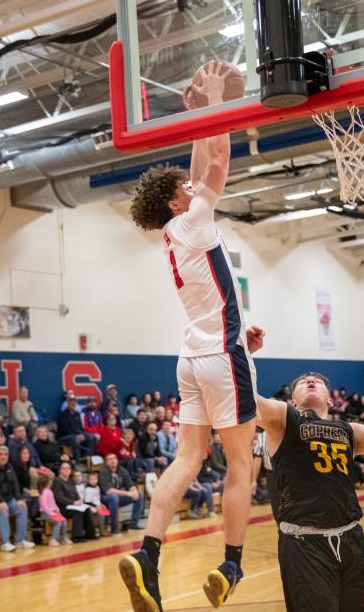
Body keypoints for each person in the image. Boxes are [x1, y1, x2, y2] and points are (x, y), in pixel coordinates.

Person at [122, 88, 262, 609]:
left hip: (192, 356)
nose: (192, 182)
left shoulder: (174, 232)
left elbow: (200, 166)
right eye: (184, 186)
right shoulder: (195, 221)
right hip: (223, 357)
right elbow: (218, 161)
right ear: (174, 201)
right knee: (240, 466)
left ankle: (147, 557)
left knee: (186, 459)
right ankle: (231, 564)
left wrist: (197, 112)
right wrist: (221, 103)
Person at [242, 341, 364, 612]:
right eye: (303, 381)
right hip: (305, 544)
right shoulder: (283, 419)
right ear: (292, 400)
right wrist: (244, 353)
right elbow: (244, 398)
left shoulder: (348, 430)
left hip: (352, 539)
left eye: (316, 379)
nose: (311, 380)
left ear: (330, 399)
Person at [0, 446, 34, 552]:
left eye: (5, 455)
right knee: (3, 510)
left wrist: (19, 498)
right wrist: (0, 501)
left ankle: (20, 540)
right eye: (0, 454)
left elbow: (15, 483)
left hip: (7, 496)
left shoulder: (9, 466)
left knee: (23, 507)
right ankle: (5, 542)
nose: (3, 457)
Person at [99, 453, 144, 534]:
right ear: (106, 462)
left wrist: (134, 491)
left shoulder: (121, 470)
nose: (112, 460)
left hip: (117, 497)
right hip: (104, 498)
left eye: (114, 458)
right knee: (114, 497)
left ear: (117, 460)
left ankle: (134, 524)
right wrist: (128, 493)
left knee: (139, 495)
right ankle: (114, 527)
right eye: (110, 459)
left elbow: (130, 484)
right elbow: (108, 491)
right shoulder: (103, 471)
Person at [53, 461, 95, 542]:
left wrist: (79, 500)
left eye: (68, 468)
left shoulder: (71, 481)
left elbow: (75, 494)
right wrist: (74, 502)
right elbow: (59, 498)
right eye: (64, 468)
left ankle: (90, 534)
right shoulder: (57, 481)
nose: (66, 470)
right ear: (60, 470)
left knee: (86, 509)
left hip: (73, 505)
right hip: (62, 507)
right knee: (78, 511)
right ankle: (77, 536)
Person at [57, 394, 97, 462]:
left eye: (74, 401)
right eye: (70, 401)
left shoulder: (77, 414)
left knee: (92, 437)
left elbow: (80, 428)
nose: (72, 403)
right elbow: (64, 430)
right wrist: (77, 435)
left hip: (75, 435)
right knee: (75, 439)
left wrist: (84, 434)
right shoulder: (62, 414)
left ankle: (86, 459)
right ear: (67, 402)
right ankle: (77, 461)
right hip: (64, 437)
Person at [36, 474, 68, 546]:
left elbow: (53, 503)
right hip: (45, 513)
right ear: (46, 482)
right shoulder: (43, 493)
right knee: (58, 522)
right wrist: (51, 513)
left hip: (53, 512)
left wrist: (57, 510)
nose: (51, 482)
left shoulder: (50, 491)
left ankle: (63, 538)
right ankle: (53, 539)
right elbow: (44, 506)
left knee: (64, 520)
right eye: (50, 481)